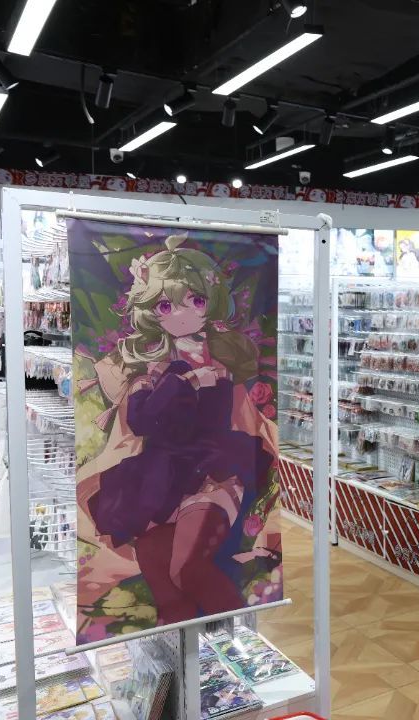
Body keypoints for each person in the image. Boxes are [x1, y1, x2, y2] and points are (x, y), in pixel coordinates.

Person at [76, 233, 278, 626]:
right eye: (166, 305)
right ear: (152, 312)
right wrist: (182, 381)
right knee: (161, 578)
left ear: (210, 302)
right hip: (159, 479)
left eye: (195, 300)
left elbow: (231, 419)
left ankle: (239, 644)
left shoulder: (223, 360)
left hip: (212, 470)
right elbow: (143, 422)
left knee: (188, 568)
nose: (181, 314)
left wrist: (199, 381)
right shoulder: (150, 369)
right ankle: (185, 656)